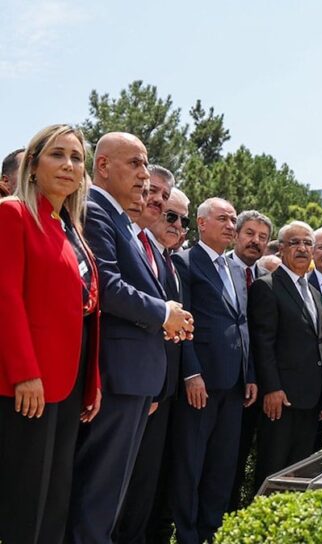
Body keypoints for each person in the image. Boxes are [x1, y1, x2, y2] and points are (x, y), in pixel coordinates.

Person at [68, 132, 192, 544]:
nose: (144, 176)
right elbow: (107, 284)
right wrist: (164, 312)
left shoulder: (120, 218)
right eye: (135, 164)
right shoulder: (96, 210)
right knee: (97, 492)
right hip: (116, 376)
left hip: (137, 377)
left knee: (112, 494)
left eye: (145, 163)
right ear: (103, 166)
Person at [0, 125, 101, 544]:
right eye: (57, 155)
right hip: (28, 384)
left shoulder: (70, 228)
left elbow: (87, 308)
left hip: (68, 384)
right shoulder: (13, 213)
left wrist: (91, 381)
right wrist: (25, 372)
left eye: (77, 158)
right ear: (34, 164)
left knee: (55, 498)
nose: (68, 165)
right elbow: (6, 297)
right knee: (25, 502)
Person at [170, 197, 257, 544]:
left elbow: (242, 323)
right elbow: (183, 321)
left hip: (234, 383)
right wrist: (191, 373)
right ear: (202, 223)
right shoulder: (185, 262)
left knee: (222, 466)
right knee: (191, 464)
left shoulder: (236, 269)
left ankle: (213, 532)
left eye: (233, 219)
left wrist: (249, 374)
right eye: (223, 218)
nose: (230, 225)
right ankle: (187, 535)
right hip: (201, 383)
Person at [115, 168, 185, 544]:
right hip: (125, 383)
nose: (156, 201)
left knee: (144, 483)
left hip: (158, 387)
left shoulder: (160, 257)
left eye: (164, 196)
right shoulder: (123, 238)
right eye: (152, 192)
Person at [249, 221, 322, 489]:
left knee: (300, 472)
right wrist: (272, 388)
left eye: (308, 243)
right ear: (282, 248)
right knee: (273, 470)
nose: (302, 248)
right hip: (281, 399)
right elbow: (263, 343)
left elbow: (319, 344)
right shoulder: (267, 286)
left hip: (310, 399)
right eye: (295, 242)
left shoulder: (314, 293)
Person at [225, 208, 272, 511]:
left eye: (263, 237)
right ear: (237, 234)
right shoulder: (219, 268)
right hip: (221, 382)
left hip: (256, 386)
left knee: (240, 459)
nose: (256, 241)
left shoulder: (266, 279)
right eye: (250, 234)